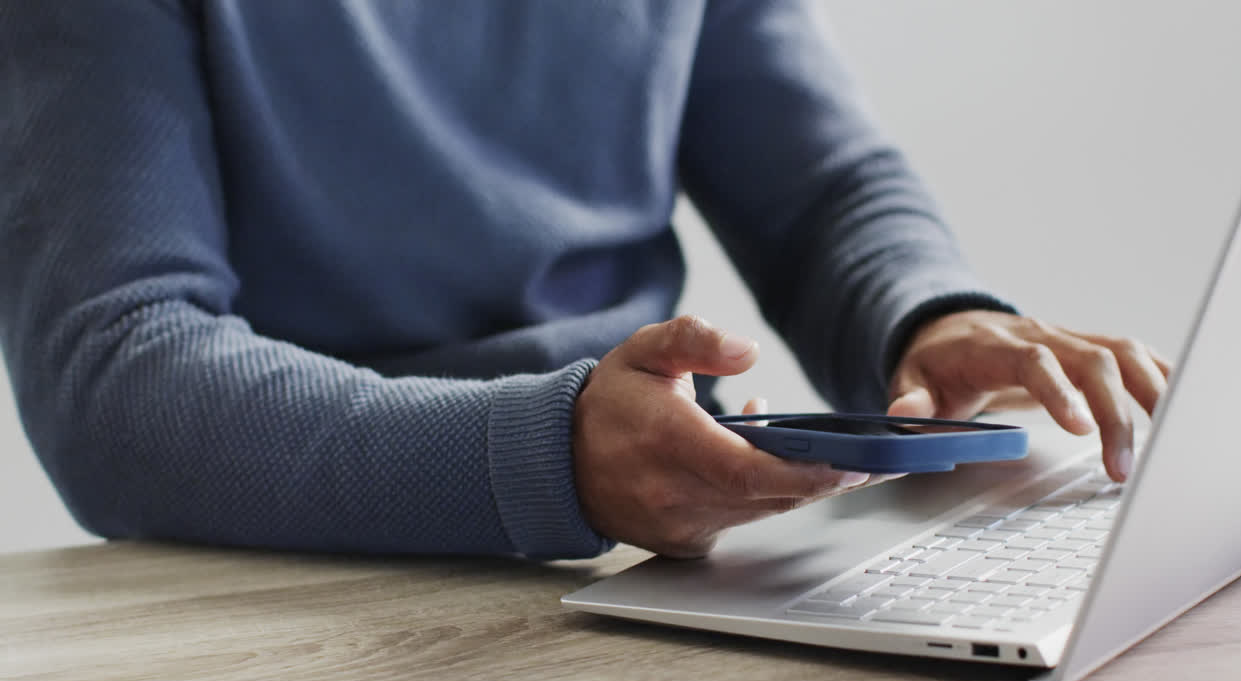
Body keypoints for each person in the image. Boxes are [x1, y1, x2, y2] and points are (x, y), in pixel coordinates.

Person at [0, 1, 1167, 561]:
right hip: (300, 578)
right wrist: (546, 457)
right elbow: (112, 373)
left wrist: (929, 312)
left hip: (670, 545)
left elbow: (822, 190)